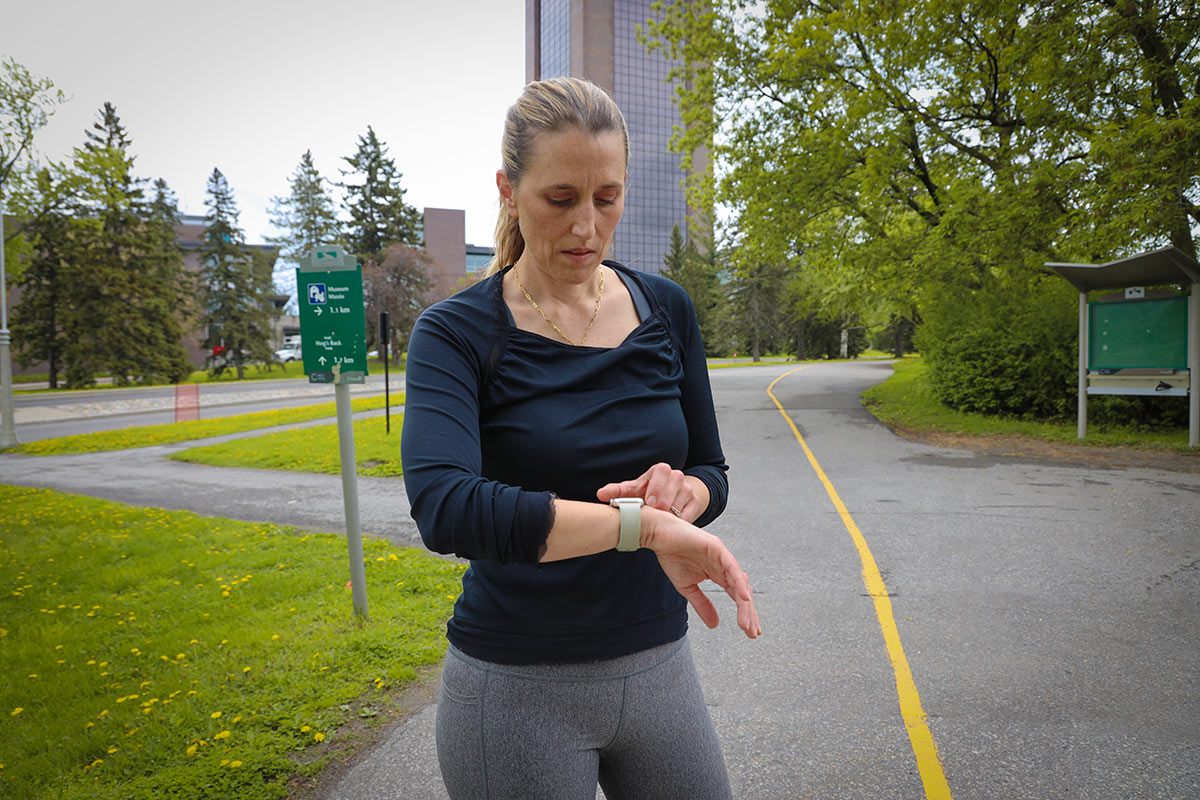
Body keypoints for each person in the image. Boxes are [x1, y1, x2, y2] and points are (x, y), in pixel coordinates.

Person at [401, 76, 761, 800]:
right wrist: (641, 526)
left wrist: (683, 496)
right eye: (560, 199)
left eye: (608, 197)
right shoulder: (455, 334)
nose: (587, 227)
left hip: (660, 666)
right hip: (515, 688)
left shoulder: (666, 309)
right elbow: (446, 507)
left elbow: (711, 469)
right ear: (508, 190)